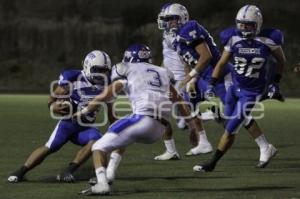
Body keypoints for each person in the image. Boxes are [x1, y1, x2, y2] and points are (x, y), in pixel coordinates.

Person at [76, 44, 203, 195]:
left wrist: (85, 110)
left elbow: (106, 95)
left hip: (142, 120)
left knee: (98, 147)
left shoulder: (126, 68)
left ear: (129, 58)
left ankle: (102, 184)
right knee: (119, 131)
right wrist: (193, 128)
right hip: (160, 128)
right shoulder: (162, 72)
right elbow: (180, 101)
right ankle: (110, 173)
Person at [193, 5, 286, 172]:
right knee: (229, 117)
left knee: (230, 130)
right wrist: (212, 83)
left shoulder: (269, 39)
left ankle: (212, 164)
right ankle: (266, 147)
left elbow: (281, 62)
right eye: (241, 24)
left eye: (248, 24)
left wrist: (276, 82)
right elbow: (222, 63)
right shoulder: (233, 38)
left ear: (257, 24)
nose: (244, 28)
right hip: (234, 88)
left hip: (251, 94)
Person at [8, 50, 117, 183]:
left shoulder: (108, 85)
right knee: (50, 147)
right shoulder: (72, 77)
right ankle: (21, 172)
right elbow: (52, 98)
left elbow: (111, 115)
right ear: (88, 66)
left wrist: (116, 133)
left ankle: (69, 171)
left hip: (85, 127)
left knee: (97, 141)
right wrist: (53, 106)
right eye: (97, 70)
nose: (101, 74)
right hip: (68, 123)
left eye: (104, 71)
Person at [154, 3, 213, 160]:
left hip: (180, 80)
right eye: (165, 19)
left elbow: (187, 59)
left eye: (170, 19)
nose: (167, 22)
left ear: (182, 19)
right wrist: (161, 73)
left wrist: (190, 79)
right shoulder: (168, 34)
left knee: (186, 119)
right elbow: (168, 57)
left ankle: (198, 142)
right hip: (169, 78)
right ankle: (181, 148)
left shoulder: (184, 34)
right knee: (168, 115)